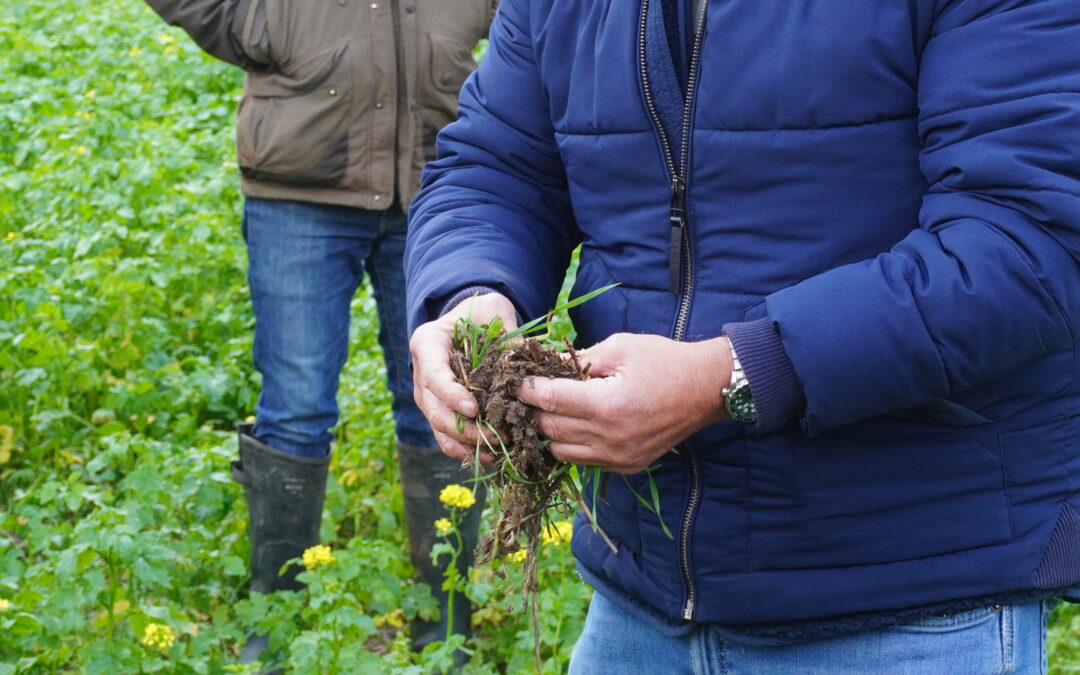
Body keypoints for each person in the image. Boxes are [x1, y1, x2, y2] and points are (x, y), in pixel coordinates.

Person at [406, 0, 1080, 671]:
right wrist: (473, 293)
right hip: (639, 607)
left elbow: (1026, 239)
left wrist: (733, 373)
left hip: (910, 600)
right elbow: (498, 168)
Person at [142, 0, 495, 665]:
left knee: (443, 400)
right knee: (297, 408)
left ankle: (447, 616)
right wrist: (264, 23)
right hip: (299, 185)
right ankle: (274, 618)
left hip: (439, 180)